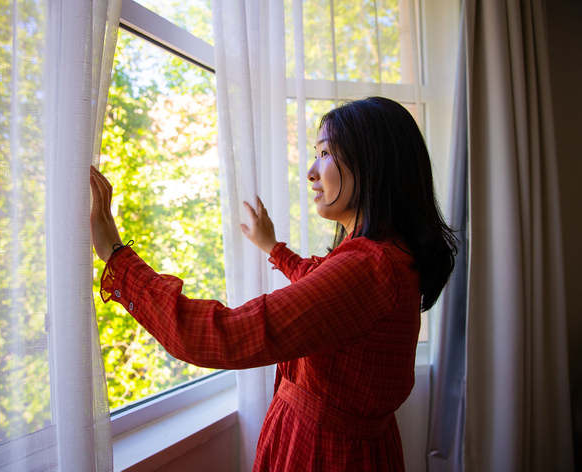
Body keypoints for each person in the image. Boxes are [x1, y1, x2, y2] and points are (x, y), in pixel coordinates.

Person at [89, 96, 458, 471]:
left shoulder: (369, 266)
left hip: (321, 454)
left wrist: (118, 259)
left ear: (373, 163)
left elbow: (228, 335)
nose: (312, 171)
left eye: (326, 153)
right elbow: (322, 288)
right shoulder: (387, 256)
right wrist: (273, 247)